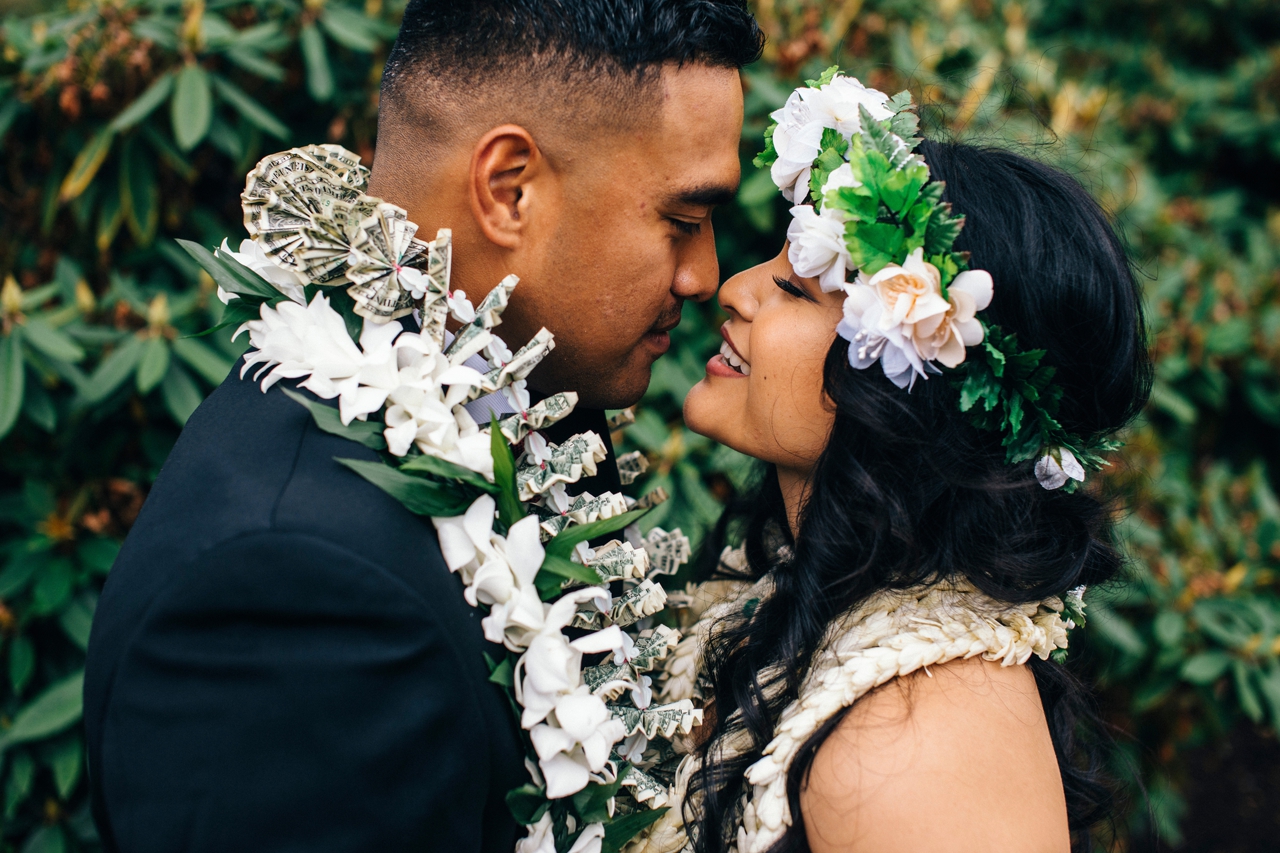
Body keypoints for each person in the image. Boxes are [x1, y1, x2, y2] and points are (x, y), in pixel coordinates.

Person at [82, 3, 762, 852]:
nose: (705, 274)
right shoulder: (292, 592)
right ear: (509, 190)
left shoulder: (528, 411)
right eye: (683, 222)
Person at [664, 73, 1152, 853]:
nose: (734, 290)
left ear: (909, 385)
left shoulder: (921, 741)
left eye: (793, 288)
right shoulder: (791, 589)